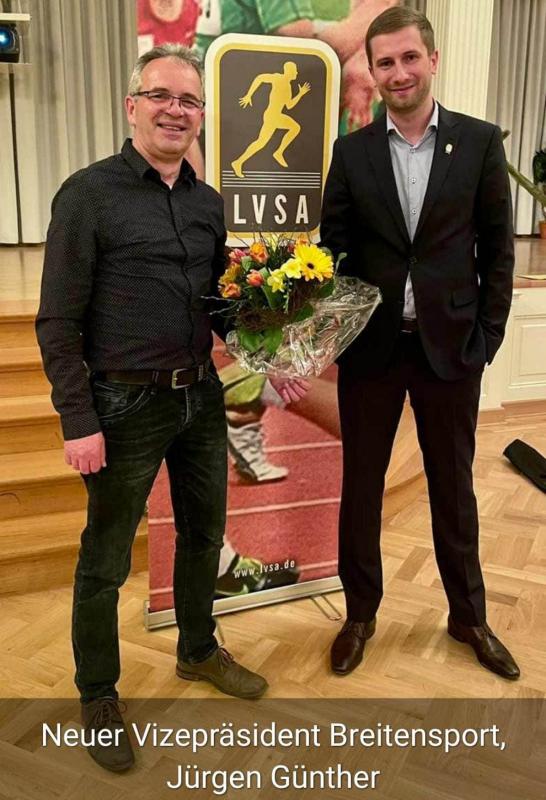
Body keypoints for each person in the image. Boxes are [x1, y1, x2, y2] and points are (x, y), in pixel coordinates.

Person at [36, 43, 307, 773]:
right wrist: (78, 420)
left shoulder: (207, 203)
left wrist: (268, 356)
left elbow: (220, 305)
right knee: (105, 559)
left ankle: (197, 649)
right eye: (161, 96)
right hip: (122, 402)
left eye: (189, 101)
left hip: (200, 397)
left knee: (203, 535)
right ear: (132, 106)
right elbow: (57, 322)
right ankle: (98, 693)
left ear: (201, 116)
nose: (175, 111)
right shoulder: (87, 195)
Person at [320, 7, 520, 681]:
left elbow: (498, 251)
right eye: (385, 62)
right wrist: (333, 334)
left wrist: (486, 339)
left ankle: (469, 618)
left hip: (451, 351)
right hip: (371, 353)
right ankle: (359, 615)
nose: (399, 72)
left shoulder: (480, 143)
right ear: (372, 72)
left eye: (409, 58)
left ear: (432, 60)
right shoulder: (351, 154)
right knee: (361, 489)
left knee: (454, 490)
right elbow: (335, 254)